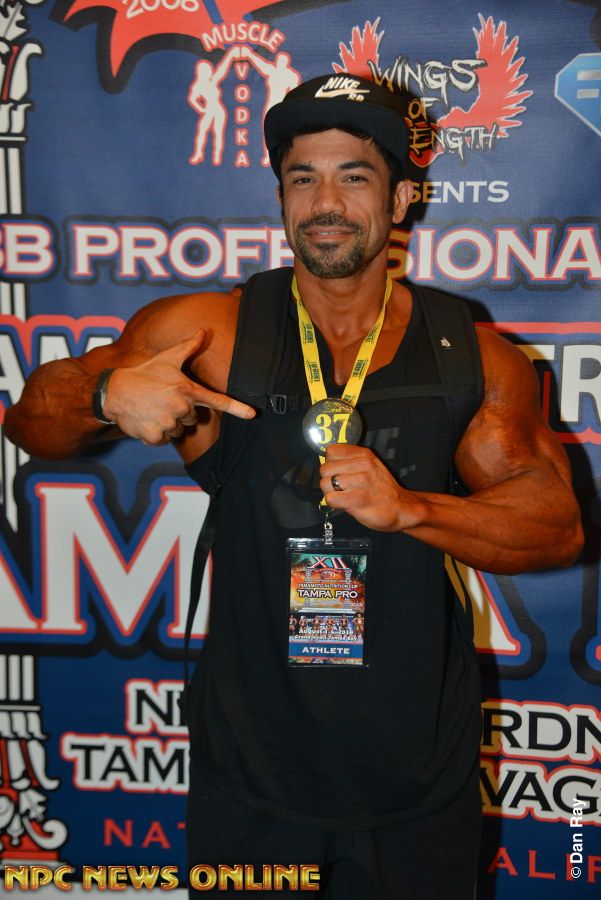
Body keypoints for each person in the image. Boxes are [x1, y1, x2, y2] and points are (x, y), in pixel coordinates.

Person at [4, 74, 583, 898]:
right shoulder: (209, 333)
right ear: (279, 196)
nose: (326, 202)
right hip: (252, 774)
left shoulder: (469, 354)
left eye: (354, 176)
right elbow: (29, 420)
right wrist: (104, 395)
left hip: (417, 772)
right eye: (302, 177)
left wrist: (411, 509)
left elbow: (555, 525)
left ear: (401, 198)